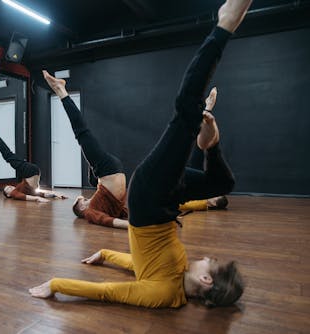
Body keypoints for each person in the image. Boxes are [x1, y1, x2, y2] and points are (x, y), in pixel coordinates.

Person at [30, 0, 250, 308]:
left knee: (185, 111)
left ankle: (223, 26)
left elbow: (108, 291)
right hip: (163, 203)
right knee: (223, 185)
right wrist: (105, 254)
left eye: (211, 262)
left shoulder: (161, 294)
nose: (206, 257)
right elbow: (141, 262)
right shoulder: (178, 272)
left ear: (206, 280)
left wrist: (56, 284)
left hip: (147, 198)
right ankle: (208, 142)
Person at [41, 74, 228, 230]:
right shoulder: (92, 212)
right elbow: (109, 220)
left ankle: (61, 91)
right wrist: (138, 224)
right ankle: (61, 90)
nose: (83, 201)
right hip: (112, 171)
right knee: (82, 134)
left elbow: (115, 215)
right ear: (80, 209)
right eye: (80, 202)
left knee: (83, 137)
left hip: (109, 174)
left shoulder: (99, 203)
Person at [0, 126, 67, 202]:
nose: (10, 187)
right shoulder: (14, 194)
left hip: (32, 172)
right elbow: (29, 196)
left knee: (8, 156)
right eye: (8, 189)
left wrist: (54, 195)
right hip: (30, 172)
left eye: (9, 186)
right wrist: (40, 198)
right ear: (8, 195)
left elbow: (38, 194)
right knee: (8, 155)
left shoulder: (20, 190)